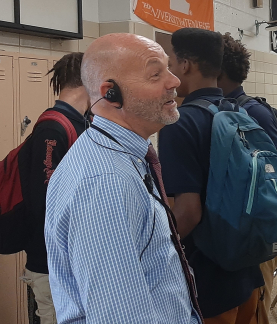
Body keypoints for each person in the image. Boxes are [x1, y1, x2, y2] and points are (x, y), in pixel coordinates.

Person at [44, 33, 201, 323]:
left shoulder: (123, 157)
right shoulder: (105, 181)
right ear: (110, 93)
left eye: (168, 68)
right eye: (156, 74)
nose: (174, 81)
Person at [158, 28, 263, 324]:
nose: (170, 72)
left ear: (186, 66)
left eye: (172, 64)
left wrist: (153, 249)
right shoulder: (239, 113)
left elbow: (188, 213)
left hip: (208, 274)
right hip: (245, 266)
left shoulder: (181, 123)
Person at [216, 33, 277, 324]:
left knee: (257, 313)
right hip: (237, 237)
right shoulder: (220, 113)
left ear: (216, 70)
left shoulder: (253, 112)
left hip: (259, 237)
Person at [21, 52, 89, 324]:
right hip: (50, 266)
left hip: (71, 262)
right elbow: (47, 202)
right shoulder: (54, 127)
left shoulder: (82, 122)